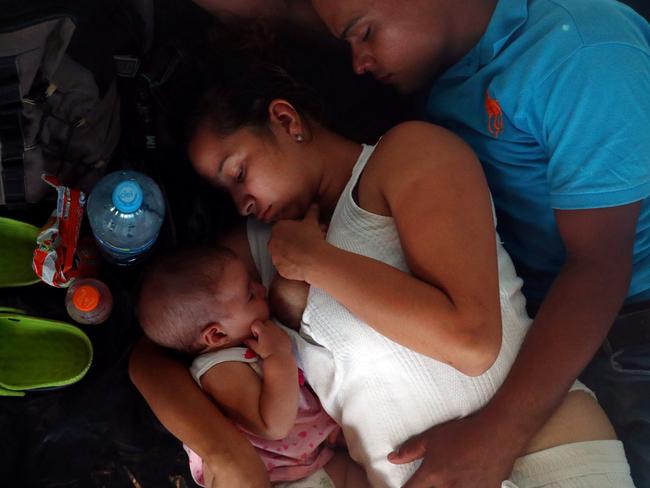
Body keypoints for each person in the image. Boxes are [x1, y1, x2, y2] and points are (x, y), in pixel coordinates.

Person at [131, 58, 634, 487]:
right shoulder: (252, 255)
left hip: (544, 454)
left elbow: (471, 342)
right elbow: (156, 347)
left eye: (238, 173)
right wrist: (224, 453)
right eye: (227, 194)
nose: (242, 202)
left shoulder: (405, 158)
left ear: (285, 120)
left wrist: (316, 261)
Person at [307, 0, 650, 487]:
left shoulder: (582, 54)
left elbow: (599, 267)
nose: (359, 63)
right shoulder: (444, 64)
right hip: (543, 301)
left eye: (363, 34)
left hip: (629, 313)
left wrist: (494, 438)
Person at [136, 246, 369, 488]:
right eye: (250, 295)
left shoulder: (250, 346)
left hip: (306, 460)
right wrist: (279, 357)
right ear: (216, 335)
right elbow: (273, 426)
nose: (261, 288)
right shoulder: (220, 370)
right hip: (279, 476)